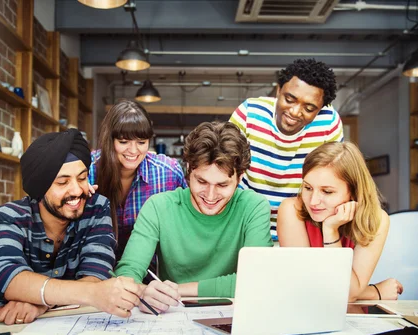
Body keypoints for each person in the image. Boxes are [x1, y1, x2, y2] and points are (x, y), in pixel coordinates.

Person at [0, 129, 143, 325]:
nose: (76, 190)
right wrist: (85, 293)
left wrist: (39, 302)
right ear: (40, 189)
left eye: (82, 178)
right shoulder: (9, 216)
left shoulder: (96, 209)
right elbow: (3, 275)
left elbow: (96, 276)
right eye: (62, 182)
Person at [115, 121, 273, 313]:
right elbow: (126, 274)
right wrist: (142, 292)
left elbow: (257, 279)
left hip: (234, 315)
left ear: (239, 178)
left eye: (222, 185)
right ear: (188, 170)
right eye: (201, 181)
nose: (211, 195)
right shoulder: (158, 207)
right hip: (172, 315)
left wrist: (177, 291)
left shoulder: (254, 207)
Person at [230, 58, 343, 239]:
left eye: (309, 108)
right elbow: (227, 171)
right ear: (278, 90)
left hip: (299, 227)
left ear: (320, 108)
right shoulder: (249, 113)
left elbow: (331, 179)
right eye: (289, 99)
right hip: (245, 224)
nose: (295, 112)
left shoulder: (328, 122)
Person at [277, 142, 403, 301]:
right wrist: (373, 292)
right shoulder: (291, 210)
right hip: (305, 310)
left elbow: (348, 293)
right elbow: (304, 287)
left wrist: (330, 231)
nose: (313, 201)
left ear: (353, 191)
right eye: (308, 188)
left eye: (327, 191)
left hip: (351, 314)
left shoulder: (376, 220)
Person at [89, 100, 187, 264]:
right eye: (124, 142)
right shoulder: (87, 170)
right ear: (109, 140)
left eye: (141, 142)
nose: (133, 151)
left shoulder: (168, 172)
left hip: (149, 271)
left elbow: (185, 224)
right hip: (93, 267)